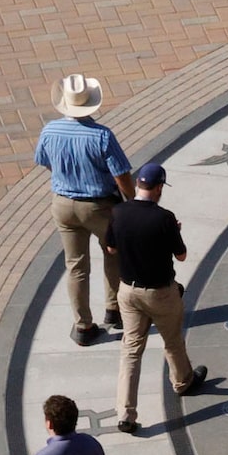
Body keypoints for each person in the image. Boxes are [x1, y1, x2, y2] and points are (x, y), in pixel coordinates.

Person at [108, 163, 208, 434]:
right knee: (172, 341)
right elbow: (182, 256)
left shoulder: (118, 212)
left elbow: (110, 247)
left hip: (128, 291)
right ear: (159, 187)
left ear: (138, 185)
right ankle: (183, 382)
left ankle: (125, 413)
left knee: (131, 350)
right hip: (161, 293)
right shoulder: (164, 218)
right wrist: (172, 232)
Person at [36, 74, 134, 347]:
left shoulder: (49, 131)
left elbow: (44, 161)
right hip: (99, 205)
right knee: (113, 253)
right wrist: (131, 199)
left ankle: (83, 325)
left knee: (76, 266)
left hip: (63, 205)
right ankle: (114, 310)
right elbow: (121, 174)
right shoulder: (102, 135)